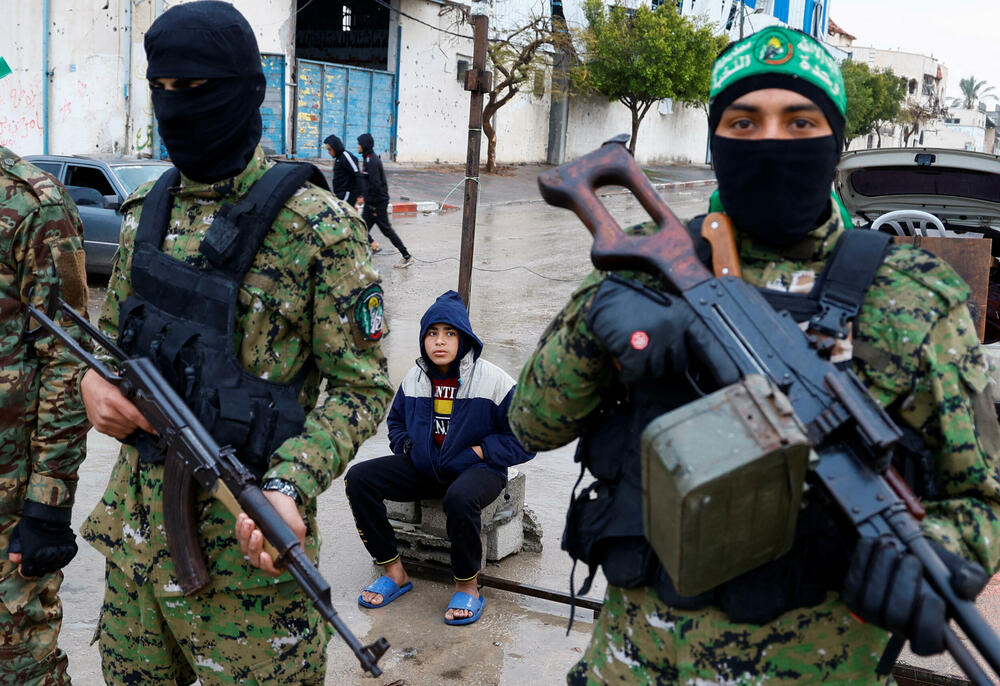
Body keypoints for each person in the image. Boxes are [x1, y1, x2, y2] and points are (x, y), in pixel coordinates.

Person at [509, 26, 1000, 685]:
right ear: (716, 140)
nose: (772, 143)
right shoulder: (646, 266)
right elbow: (529, 425)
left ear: (836, 139)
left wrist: (937, 551)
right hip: (631, 665)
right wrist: (600, 326)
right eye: (744, 122)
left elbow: (984, 499)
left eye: (800, 122)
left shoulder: (914, 294)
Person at [77, 3, 393, 684]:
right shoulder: (146, 213)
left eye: (195, 88)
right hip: (134, 557)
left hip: (253, 576)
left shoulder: (317, 228)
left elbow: (363, 389)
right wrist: (92, 384)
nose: (176, 105)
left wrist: (288, 484)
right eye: (162, 89)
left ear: (248, 91)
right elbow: (112, 350)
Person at [345, 290, 534, 625]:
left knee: (459, 497)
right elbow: (396, 423)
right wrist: (408, 448)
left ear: (465, 338)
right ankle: (394, 571)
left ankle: (468, 586)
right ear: (423, 339)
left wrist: (480, 451)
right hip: (427, 467)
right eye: (432, 333)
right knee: (358, 479)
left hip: (480, 470)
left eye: (450, 333)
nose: (440, 341)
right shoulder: (415, 378)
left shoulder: (493, 379)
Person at [0, 142, 91, 684]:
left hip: (8, 501)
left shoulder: (34, 205)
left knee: (19, 666)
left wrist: (47, 504)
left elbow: (69, 359)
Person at [357, 132, 414, 269]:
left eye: (359, 144)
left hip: (377, 203)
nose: (357, 146)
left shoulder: (372, 161)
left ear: (365, 145)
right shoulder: (367, 159)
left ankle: (407, 256)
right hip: (372, 202)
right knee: (360, 228)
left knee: (386, 230)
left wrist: (369, 202)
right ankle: (364, 254)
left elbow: (375, 185)